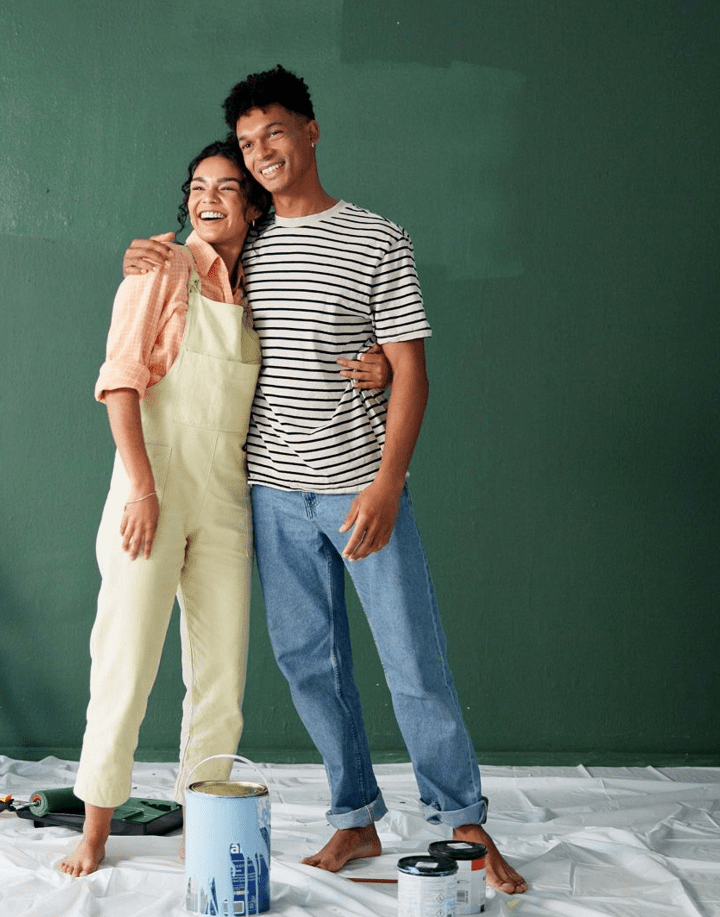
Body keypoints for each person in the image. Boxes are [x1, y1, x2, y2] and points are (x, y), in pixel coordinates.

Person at [121, 66, 527, 895]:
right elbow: (183, 269)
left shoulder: (379, 238)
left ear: (310, 132)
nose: (260, 153)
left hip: (358, 487)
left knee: (412, 657)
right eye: (245, 143)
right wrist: (148, 250)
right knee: (309, 661)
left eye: (272, 133)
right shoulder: (246, 240)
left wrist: (386, 482)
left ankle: (463, 821)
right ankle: (355, 819)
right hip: (268, 491)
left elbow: (410, 372)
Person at [60, 138, 389, 878]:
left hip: (228, 496)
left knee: (220, 676)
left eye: (228, 187)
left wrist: (379, 365)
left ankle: (198, 827)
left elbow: (314, 349)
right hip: (152, 485)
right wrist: (142, 487)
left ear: (254, 204)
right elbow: (119, 384)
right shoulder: (162, 269)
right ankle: (93, 831)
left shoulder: (264, 283)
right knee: (126, 659)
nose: (209, 199)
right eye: (198, 186)